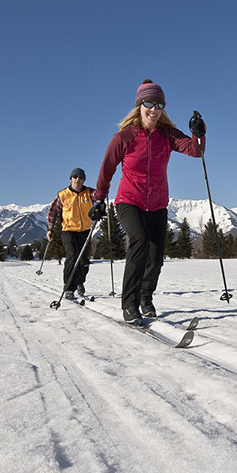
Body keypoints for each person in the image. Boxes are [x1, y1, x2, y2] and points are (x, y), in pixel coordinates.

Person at [90, 79, 206, 324]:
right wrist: (99, 198)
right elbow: (107, 168)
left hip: (157, 203)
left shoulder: (167, 135)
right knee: (139, 242)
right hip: (128, 200)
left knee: (155, 257)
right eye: (149, 103)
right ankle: (129, 304)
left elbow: (195, 151)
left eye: (159, 104)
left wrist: (198, 134)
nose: (154, 109)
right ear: (139, 105)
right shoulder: (124, 137)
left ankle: (146, 298)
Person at [47, 168, 96, 300]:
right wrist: (50, 229)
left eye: (80, 177)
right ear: (70, 179)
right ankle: (69, 287)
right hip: (68, 231)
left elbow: (100, 197)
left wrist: (102, 199)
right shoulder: (63, 195)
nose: (77, 180)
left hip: (85, 230)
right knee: (72, 256)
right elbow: (53, 212)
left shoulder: (89, 193)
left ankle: (79, 281)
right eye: (75, 177)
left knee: (84, 260)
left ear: (83, 180)